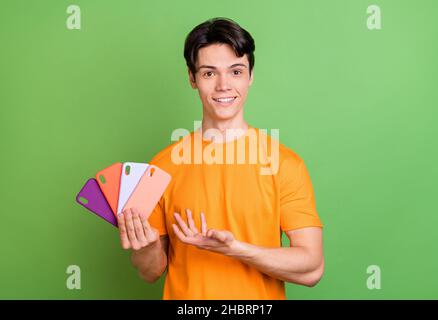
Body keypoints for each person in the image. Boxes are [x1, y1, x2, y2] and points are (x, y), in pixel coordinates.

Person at [117, 17, 324, 300]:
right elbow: (149, 272)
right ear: (192, 78)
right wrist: (148, 247)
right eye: (209, 73)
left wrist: (234, 249)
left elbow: (312, 266)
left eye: (236, 71)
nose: (224, 85)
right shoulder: (161, 167)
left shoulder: (285, 164)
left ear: (250, 76)